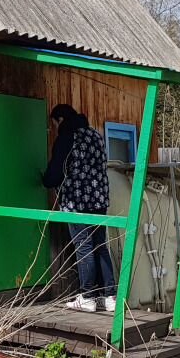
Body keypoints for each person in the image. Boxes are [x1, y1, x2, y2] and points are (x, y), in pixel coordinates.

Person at [42, 104, 117, 313]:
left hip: (77, 201)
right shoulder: (96, 135)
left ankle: (87, 296)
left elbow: (56, 171)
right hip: (100, 199)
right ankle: (109, 296)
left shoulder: (68, 137)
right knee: (100, 245)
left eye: (55, 123)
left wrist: (46, 180)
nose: (55, 127)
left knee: (83, 247)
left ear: (60, 120)